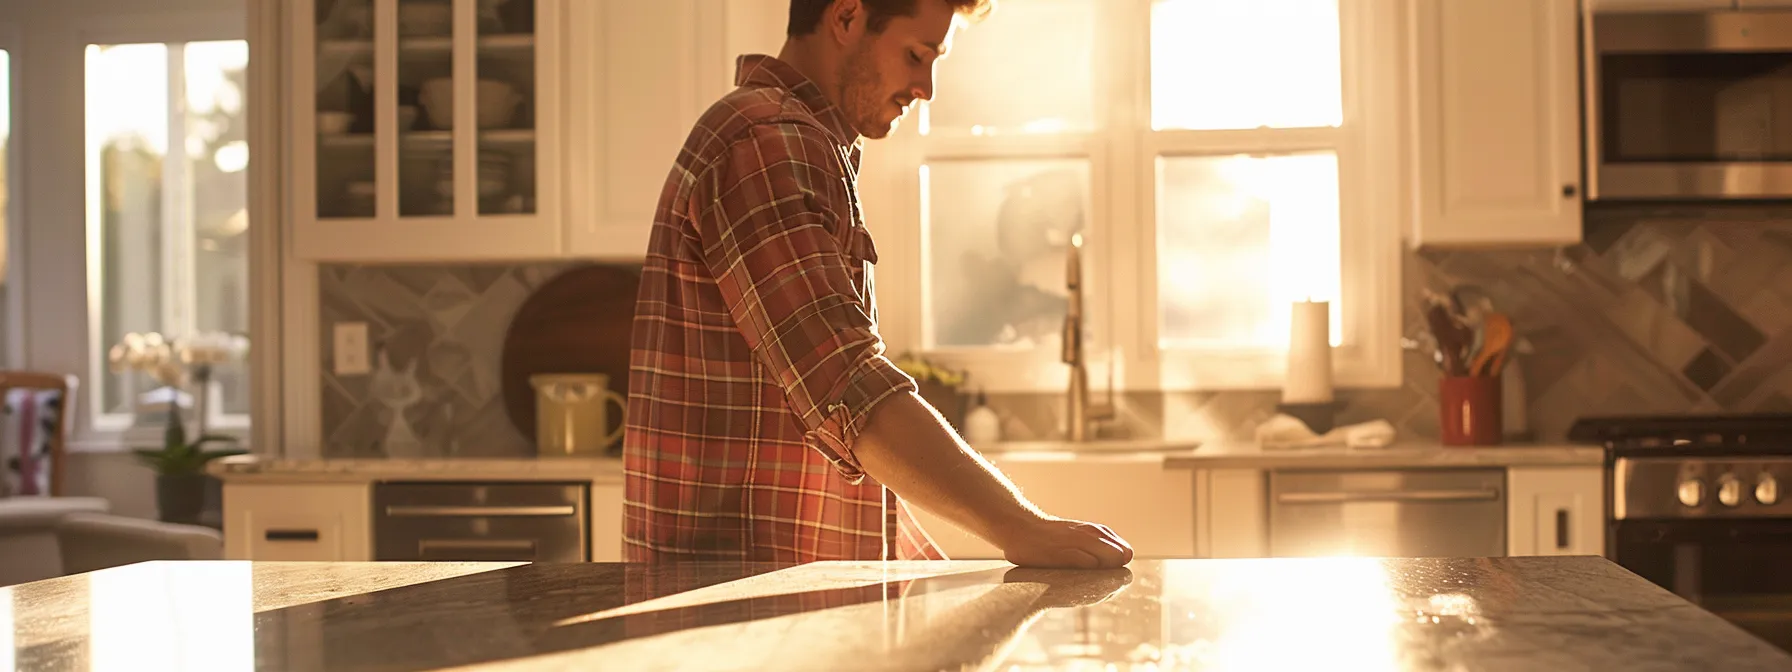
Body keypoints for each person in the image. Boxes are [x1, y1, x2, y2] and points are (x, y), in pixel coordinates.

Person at [622, 0, 1134, 570]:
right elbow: (845, 385)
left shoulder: (798, 140)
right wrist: (1021, 528)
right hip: (739, 610)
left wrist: (922, 578)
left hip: (775, 596)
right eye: (917, 55)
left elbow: (838, 439)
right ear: (846, 17)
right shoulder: (766, 142)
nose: (926, 88)